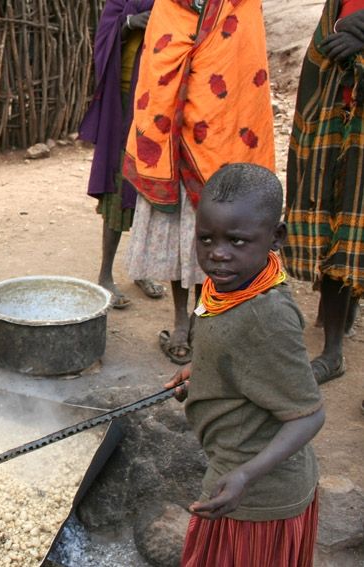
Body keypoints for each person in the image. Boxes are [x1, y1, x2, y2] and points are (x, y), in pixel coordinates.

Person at [165, 164, 325, 566]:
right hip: (237, 474)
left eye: (237, 241)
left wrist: (245, 477)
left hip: (258, 497)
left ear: (276, 237)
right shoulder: (229, 287)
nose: (218, 253)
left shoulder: (264, 316)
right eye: (206, 238)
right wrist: (204, 375)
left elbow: (309, 415)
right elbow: (240, 361)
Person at [121, 0, 275, 363]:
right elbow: (156, 67)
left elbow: (246, 74)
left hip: (224, 137)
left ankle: (203, 316)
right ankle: (179, 320)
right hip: (171, 140)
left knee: (218, 238)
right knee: (178, 236)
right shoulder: (167, 7)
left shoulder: (242, 7)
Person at [283, 0, 364, 386]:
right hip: (335, 124)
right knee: (339, 227)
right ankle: (333, 349)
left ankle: (342, 320)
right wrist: (343, 34)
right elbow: (325, 42)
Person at [79, 0, 164, 308]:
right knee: (118, 186)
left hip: (160, 104)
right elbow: (103, 38)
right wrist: (129, 23)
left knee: (152, 190)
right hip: (124, 102)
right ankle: (105, 274)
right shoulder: (121, 2)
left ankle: (143, 269)